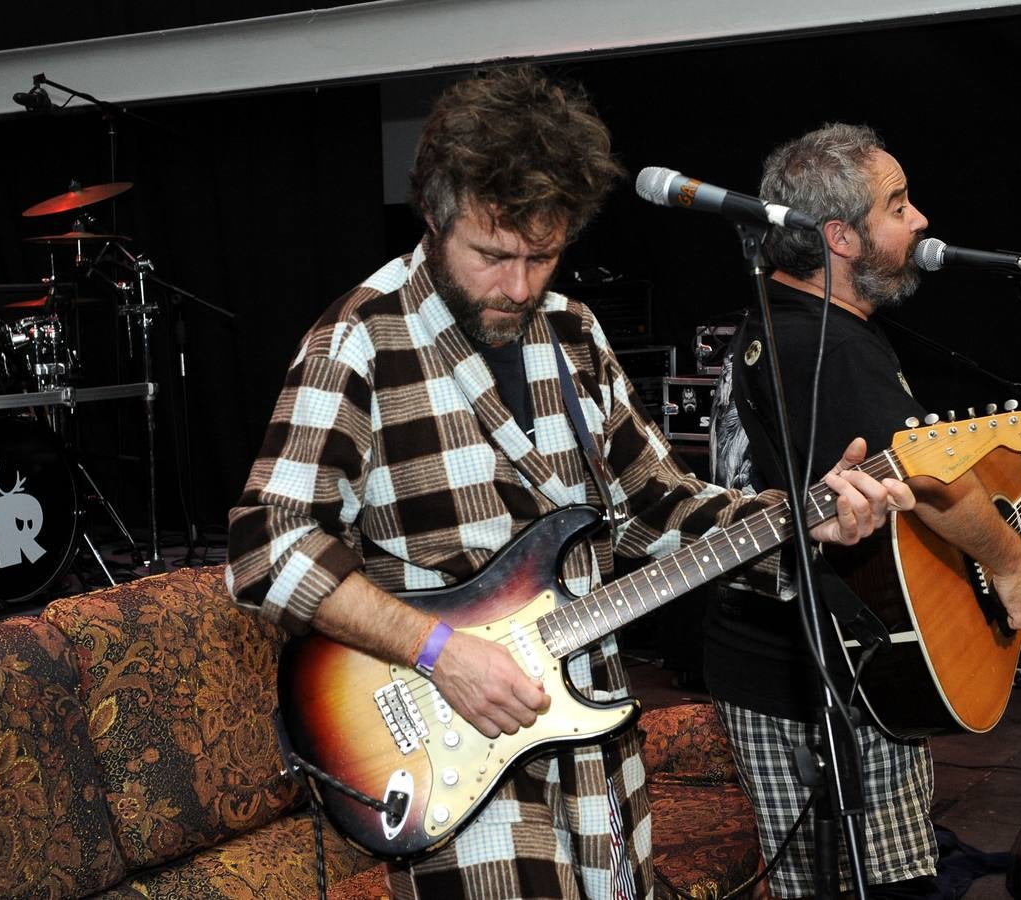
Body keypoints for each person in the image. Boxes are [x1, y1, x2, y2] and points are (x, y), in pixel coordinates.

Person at [226, 70, 909, 900]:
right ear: (435, 217)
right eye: (491, 256)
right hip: (448, 740)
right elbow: (268, 548)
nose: (516, 288)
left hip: (588, 732)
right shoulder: (361, 341)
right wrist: (438, 651)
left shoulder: (573, 334)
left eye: (541, 257)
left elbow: (658, 509)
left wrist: (807, 521)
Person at [705, 123, 1021, 899]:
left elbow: (918, 479)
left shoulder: (807, 333)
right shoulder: (818, 344)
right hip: (815, 676)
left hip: (842, 658)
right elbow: (933, 485)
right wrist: (1009, 565)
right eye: (897, 205)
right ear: (840, 236)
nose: (920, 218)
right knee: (868, 886)